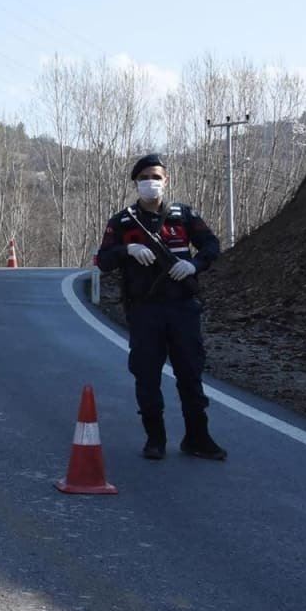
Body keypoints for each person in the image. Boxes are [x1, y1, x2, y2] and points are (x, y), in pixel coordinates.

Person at [97, 153, 226, 461]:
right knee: (147, 375)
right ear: (135, 183)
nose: (150, 183)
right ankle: (155, 439)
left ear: (166, 180)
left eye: (156, 177)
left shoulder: (184, 215)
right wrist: (128, 249)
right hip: (145, 310)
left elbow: (212, 245)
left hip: (183, 307)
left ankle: (198, 437)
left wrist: (194, 265)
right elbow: (103, 261)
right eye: (144, 178)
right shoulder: (122, 221)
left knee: (190, 373)